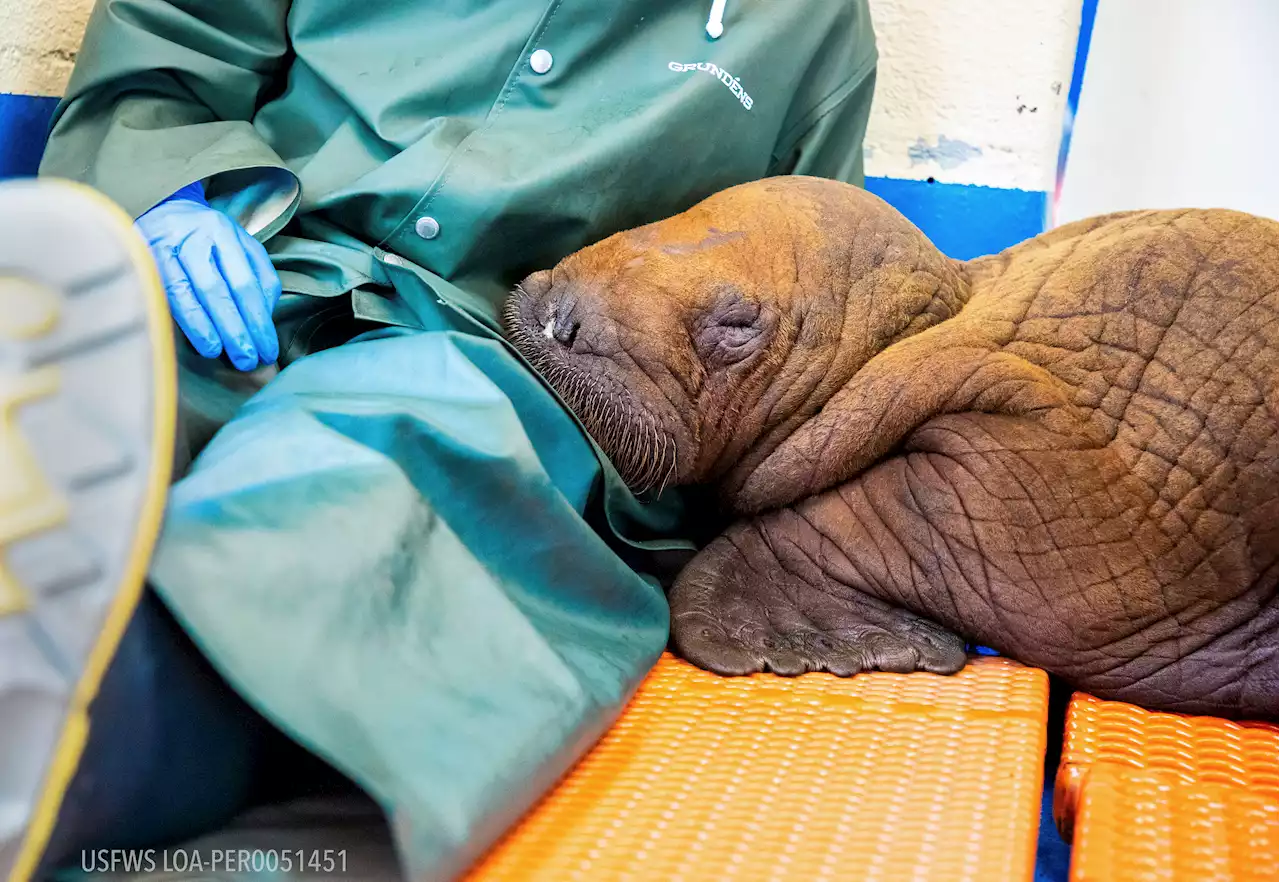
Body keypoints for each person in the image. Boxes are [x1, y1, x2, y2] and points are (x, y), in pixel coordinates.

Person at [3, 1, 878, 877]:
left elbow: (817, 310)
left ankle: (109, 734)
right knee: (90, 371)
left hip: (513, 360)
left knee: (362, 460)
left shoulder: (806, 29)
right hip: (256, 266)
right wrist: (168, 195)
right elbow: (177, 39)